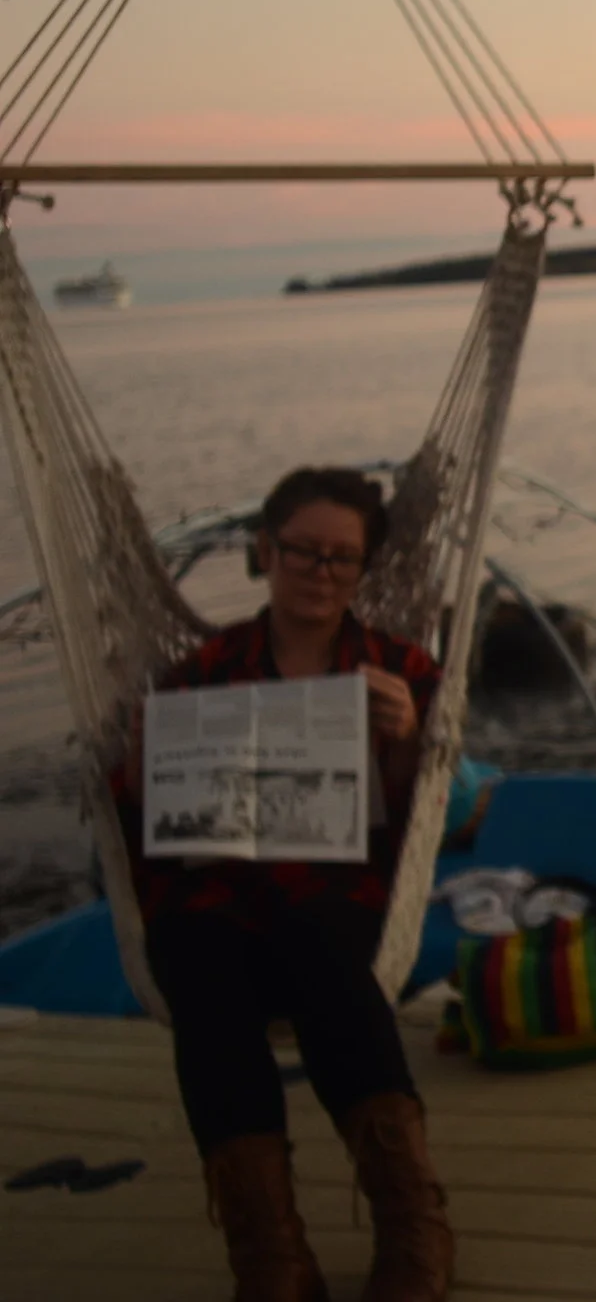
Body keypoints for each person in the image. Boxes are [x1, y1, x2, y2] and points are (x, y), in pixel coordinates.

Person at [114, 466, 455, 1302]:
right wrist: (139, 763)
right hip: (216, 896)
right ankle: (270, 1257)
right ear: (265, 551)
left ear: (364, 570)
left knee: (316, 945)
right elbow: (141, 822)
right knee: (198, 966)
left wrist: (407, 739)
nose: (322, 571)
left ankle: (413, 1224)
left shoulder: (398, 669)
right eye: (304, 551)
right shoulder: (199, 675)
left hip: (333, 892)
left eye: (344, 558)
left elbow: (427, 814)